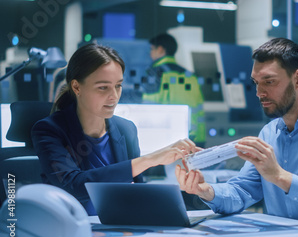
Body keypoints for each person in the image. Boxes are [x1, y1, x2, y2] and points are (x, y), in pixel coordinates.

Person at [176, 38, 298, 230]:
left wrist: (280, 176)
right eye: (256, 82)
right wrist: (205, 190)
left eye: (269, 82)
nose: (259, 92)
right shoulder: (270, 132)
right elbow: (242, 190)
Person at [32, 43, 199, 215]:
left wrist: (191, 194)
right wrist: (150, 159)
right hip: (72, 230)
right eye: (103, 87)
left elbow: (137, 194)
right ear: (76, 87)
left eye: (118, 86)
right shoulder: (49, 130)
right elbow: (73, 184)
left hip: (119, 230)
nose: (114, 96)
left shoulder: (126, 129)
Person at [142, 33, 206, 147]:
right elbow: (199, 109)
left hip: (166, 139)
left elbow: (148, 108)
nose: (150, 53)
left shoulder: (155, 73)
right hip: (193, 138)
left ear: (160, 50)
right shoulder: (190, 75)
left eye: (152, 49)